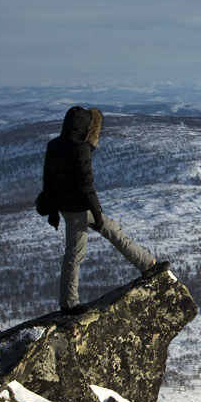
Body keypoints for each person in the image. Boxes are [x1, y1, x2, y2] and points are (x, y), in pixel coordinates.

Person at [43, 106, 168, 315]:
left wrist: (53, 211)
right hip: (78, 208)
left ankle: (147, 264)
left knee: (112, 229)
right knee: (75, 254)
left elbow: (49, 180)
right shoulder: (80, 148)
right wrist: (97, 212)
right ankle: (69, 304)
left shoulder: (54, 145)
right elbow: (86, 186)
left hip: (67, 206)